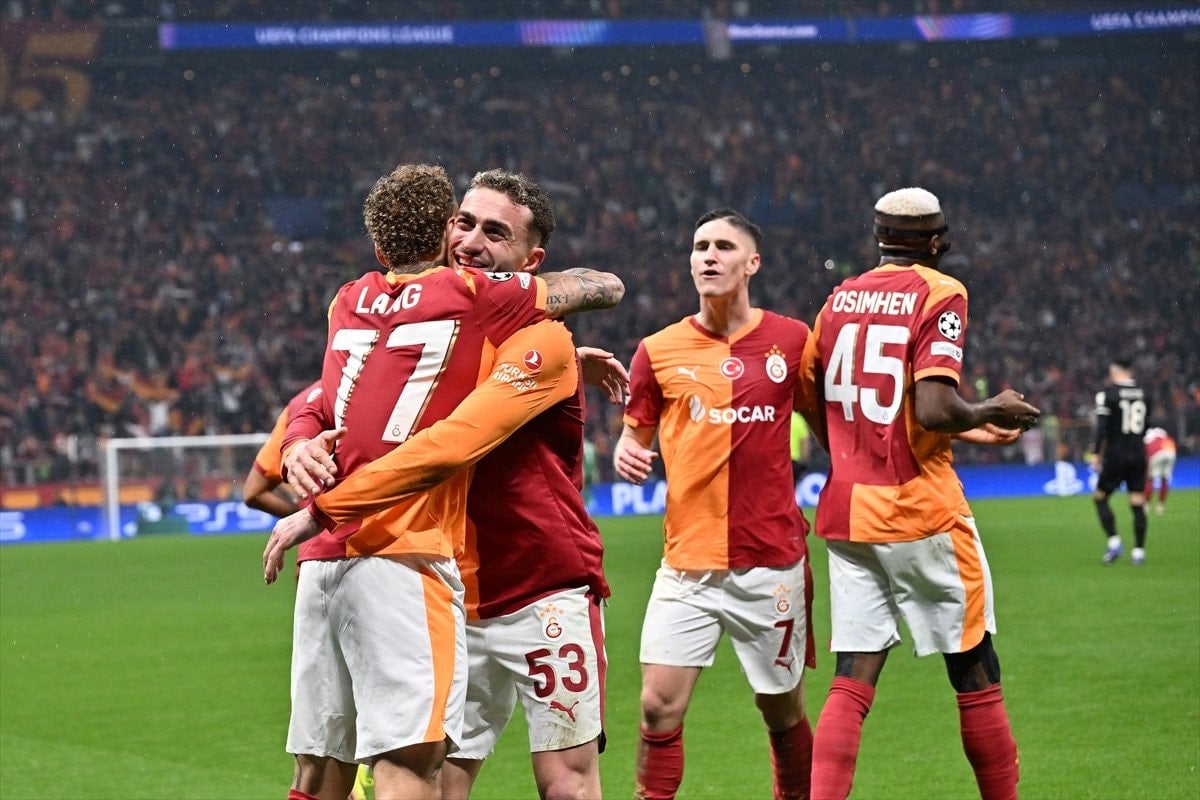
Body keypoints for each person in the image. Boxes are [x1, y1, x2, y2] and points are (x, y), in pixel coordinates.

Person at [261, 163, 623, 800]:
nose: (470, 241)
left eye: (494, 233)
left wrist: (324, 508)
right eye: (463, 223)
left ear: (530, 262)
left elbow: (454, 442)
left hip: (538, 587)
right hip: (447, 586)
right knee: (433, 781)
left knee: (563, 785)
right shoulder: (432, 322)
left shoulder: (538, 339)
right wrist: (295, 441)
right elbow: (322, 396)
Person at [797, 187, 1040, 800]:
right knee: (975, 669)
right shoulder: (941, 292)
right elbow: (933, 407)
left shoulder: (836, 301)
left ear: (878, 237)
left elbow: (816, 398)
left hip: (848, 512)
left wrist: (865, 449)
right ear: (936, 241)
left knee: (851, 681)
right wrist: (991, 407)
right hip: (920, 510)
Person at [614, 208, 815, 800]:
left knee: (781, 710)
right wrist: (628, 449)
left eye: (724, 246)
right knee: (657, 706)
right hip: (687, 566)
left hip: (771, 563)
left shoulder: (791, 341)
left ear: (752, 263)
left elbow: (830, 423)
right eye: (700, 246)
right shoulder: (657, 350)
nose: (708, 255)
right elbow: (635, 432)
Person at [1090, 357, 1151, 564]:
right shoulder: (1145, 393)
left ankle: (1114, 542)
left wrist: (1096, 453)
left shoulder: (1107, 394)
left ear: (1115, 372)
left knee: (1100, 497)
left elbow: (1102, 428)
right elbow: (1147, 425)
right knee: (1137, 502)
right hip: (1138, 453)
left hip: (1115, 455)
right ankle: (1139, 552)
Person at [242, 381, 322, 518]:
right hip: (358, 525)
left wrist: (310, 519)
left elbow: (253, 492)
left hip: (324, 527)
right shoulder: (359, 395)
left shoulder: (298, 404)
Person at [1143, 426, 1177, 515]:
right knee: (1164, 478)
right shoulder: (1162, 432)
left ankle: (1146, 505)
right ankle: (1160, 506)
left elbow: (1147, 450)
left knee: (1150, 478)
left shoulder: (1147, 435)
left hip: (1156, 452)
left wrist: (1147, 467)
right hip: (1170, 450)